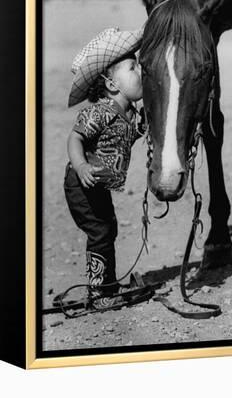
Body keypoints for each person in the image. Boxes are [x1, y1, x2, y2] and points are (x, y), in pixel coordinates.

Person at [64, 27, 145, 308]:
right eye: (134, 68)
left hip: (98, 186)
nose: (141, 72)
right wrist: (82, 165)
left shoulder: (128, 115)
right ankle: (98, 295)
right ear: (112, 85)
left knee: (108, 229)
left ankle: (107, 285)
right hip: (82, 182)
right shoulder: (101, 111)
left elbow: (127, 139)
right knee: (100, 232)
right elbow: (75, 138)